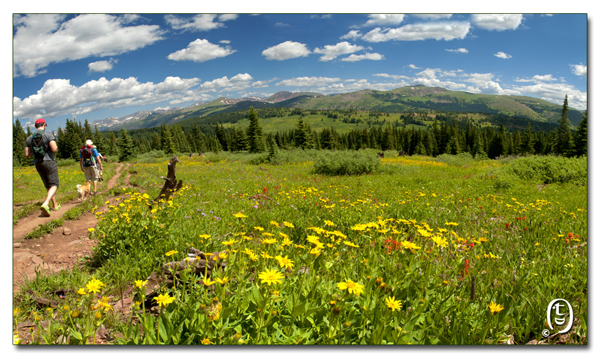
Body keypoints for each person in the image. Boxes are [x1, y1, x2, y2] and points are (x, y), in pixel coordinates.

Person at [24, 118, 60, 217]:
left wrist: (34, 152)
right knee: (54, 184)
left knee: (48, 185)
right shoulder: (48, 135)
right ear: (44, 124)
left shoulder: (29, 138)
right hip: (49, 162)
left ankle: (55, 205)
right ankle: (46, 203)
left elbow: (27, 154)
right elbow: (54, 149)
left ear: (36, 126)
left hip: (38, 163)